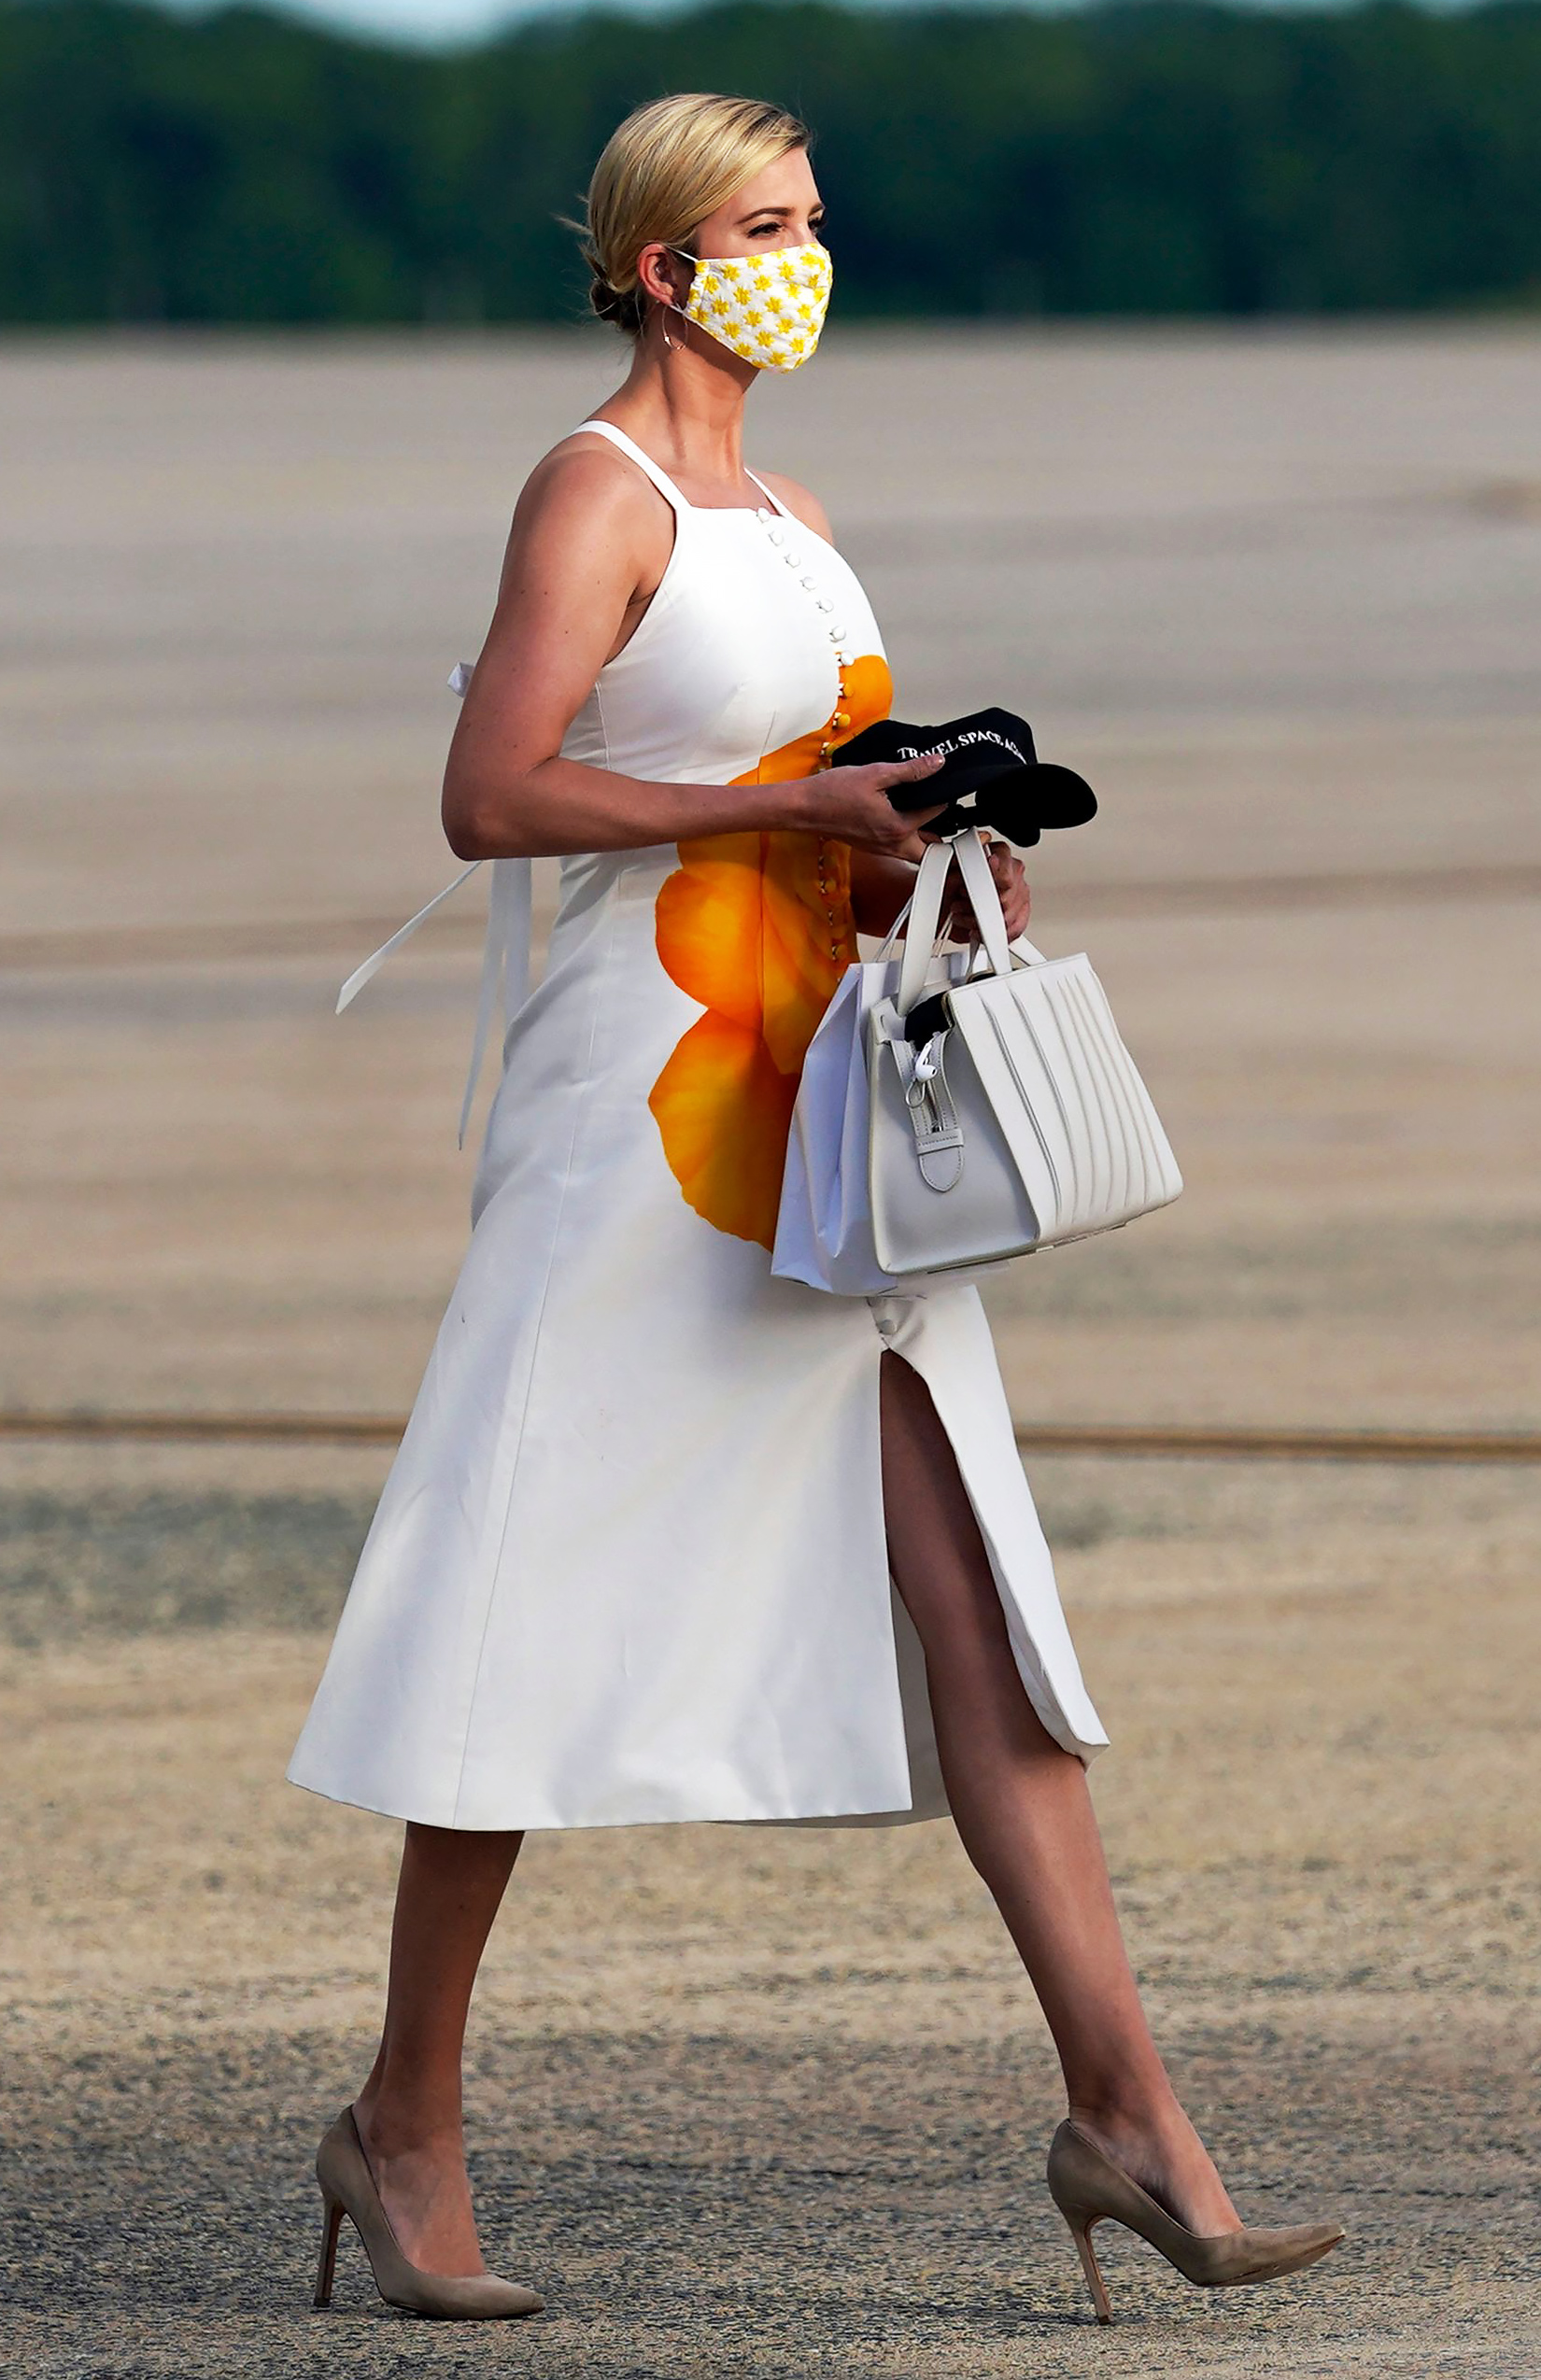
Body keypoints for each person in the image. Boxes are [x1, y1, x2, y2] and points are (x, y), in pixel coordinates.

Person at [289, 92, 1343, 2327]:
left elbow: (804, 811)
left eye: (814, 217)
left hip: (826, 1120)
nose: (805, 257)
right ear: (660, 266)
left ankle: (1131, 2120)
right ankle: (401, 2126)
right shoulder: (599, 490)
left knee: (982, 1612)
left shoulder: (794, 517)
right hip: (645, 1129)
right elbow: (492, 792)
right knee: (523, 1617)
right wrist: (779, 818)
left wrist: (915, 857)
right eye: (763, 225)